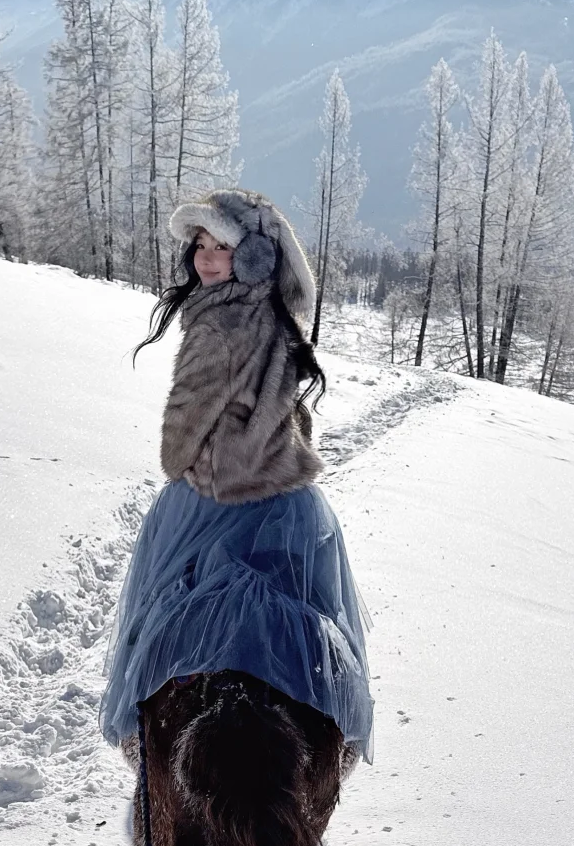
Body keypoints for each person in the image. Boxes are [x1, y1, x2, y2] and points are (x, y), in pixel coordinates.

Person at [99, 188, 373, 762]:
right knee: (306, 616)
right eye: (199, 243)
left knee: (165, 609)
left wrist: (177, 462)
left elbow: (189, 411)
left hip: (215, 498)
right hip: (288, 502)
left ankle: (143, 745)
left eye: (220, 245)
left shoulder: (219, 320)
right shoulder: (273, 312)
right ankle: (331, 742)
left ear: (251, 255)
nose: (204, 257)